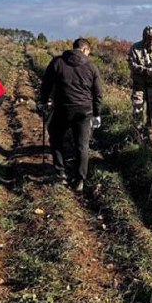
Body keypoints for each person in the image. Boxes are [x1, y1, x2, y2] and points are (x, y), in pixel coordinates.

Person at [41, 38, 103, 191]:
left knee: (56, 137)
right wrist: (97, 113)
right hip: (84, 110)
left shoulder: (58, 62)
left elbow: (46, 84)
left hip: (63, 108)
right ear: (85, 50)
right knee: (82, 145)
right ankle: (79, 179)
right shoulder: (91, 66)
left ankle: (60, 173)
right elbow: (98, 93)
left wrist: (43, 101)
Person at [127, 25, 152, 136]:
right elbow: (132, 65)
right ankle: (137, 134)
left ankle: (151, 132)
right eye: (148, 38)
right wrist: (146, 71)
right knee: (137, 110)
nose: (150, 40)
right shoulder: (135, 48)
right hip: (139, 85)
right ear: (144, 37)